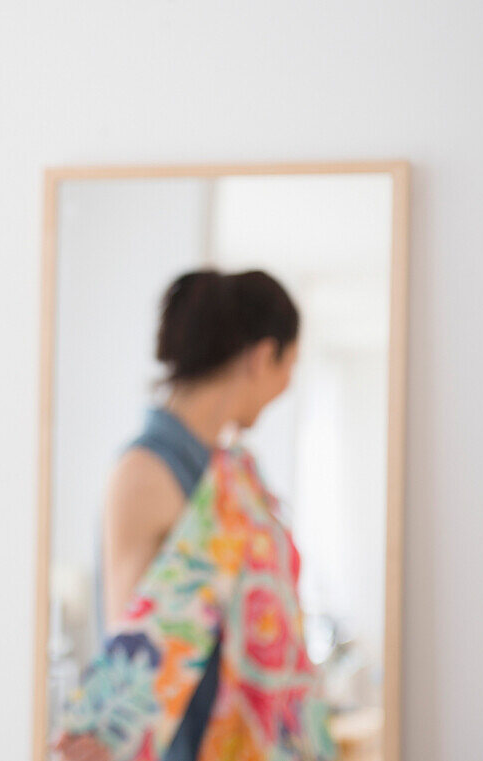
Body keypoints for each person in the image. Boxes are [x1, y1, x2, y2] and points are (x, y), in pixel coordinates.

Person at [55, 269, 333, 761]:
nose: (288, 382)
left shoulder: (229, 474)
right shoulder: (146, 472)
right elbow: (134, 656)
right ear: (263, 356)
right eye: (290, 363)